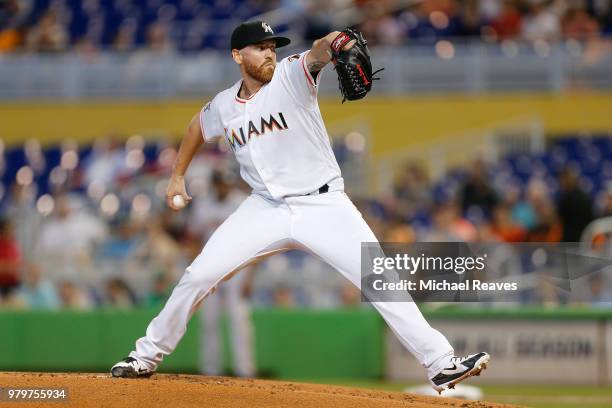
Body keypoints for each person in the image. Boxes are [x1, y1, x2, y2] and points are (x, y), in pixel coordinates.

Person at [111, 20, 489, 393]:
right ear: (237, 55)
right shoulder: (224, 106)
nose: (270, 54)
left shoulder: (291, 75)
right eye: (261, 48)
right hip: (264, 208)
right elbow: (196, 126)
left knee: (380, 279)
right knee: (198, 276)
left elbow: (318, 52)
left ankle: (440, 363)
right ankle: (144, 356)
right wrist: (177, 176)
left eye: (273, 47)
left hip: (323, 203)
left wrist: (336, 40)